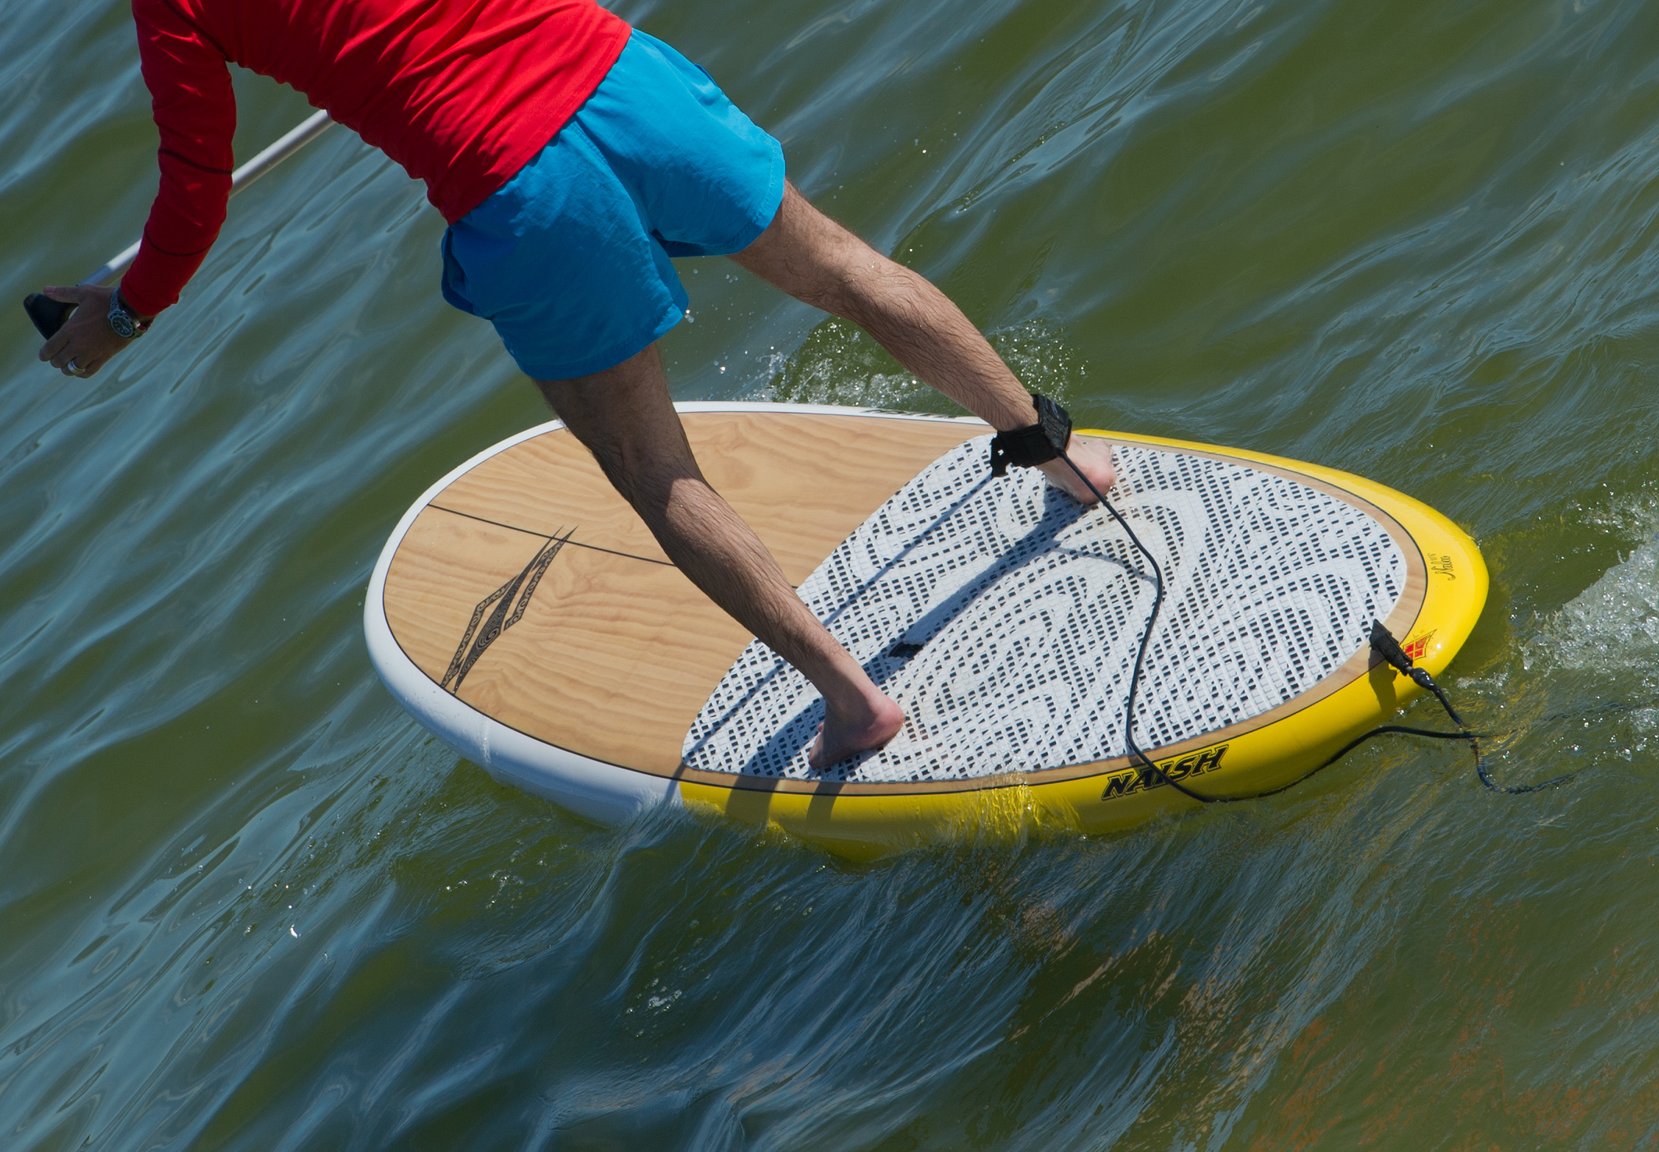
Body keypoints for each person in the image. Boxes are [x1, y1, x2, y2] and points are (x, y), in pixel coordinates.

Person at [35, 0, 1117, 767]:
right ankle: (1066, 463)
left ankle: (854, 704)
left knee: (652, 469)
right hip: (622, 81)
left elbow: (195, 187)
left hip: (515, 181)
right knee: (849, 273)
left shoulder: (173, 7)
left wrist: (124, 314)